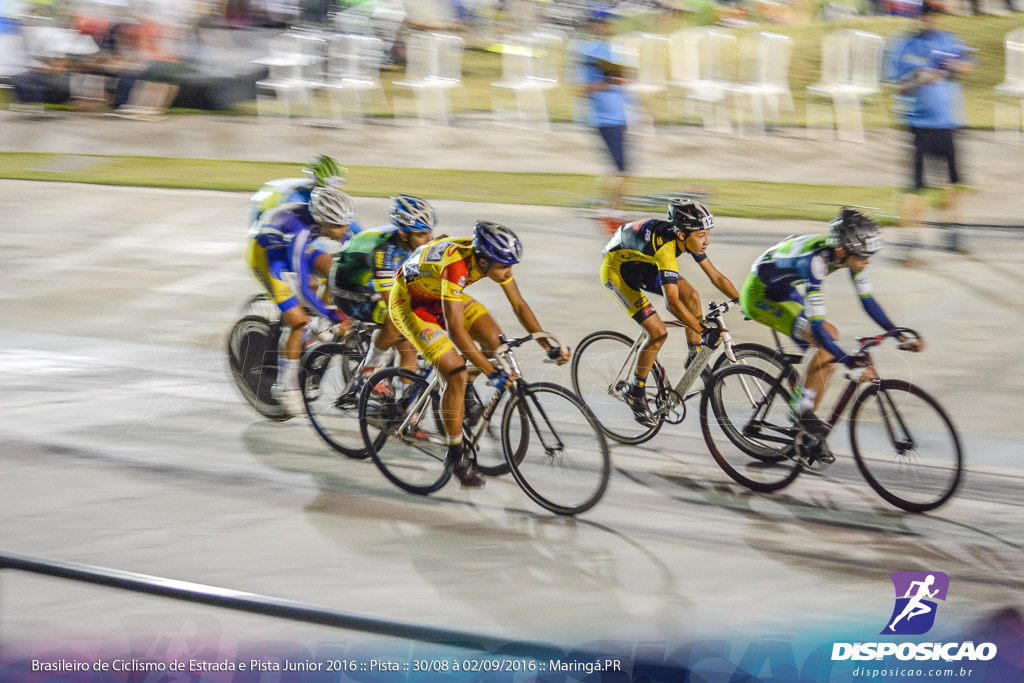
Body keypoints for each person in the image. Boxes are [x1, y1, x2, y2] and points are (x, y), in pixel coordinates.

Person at [388, 222, 570, 488]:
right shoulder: (456, 267)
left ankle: (465, 396)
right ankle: (455, 454)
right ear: (483, 262)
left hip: (440, 293)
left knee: (495, 341)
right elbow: (456, 331)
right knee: (456, 373)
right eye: (503, 267)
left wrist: (547, 344)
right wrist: (489, 371)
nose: (508, 272)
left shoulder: (490, 260)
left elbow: (519, 305)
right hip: (410, 304)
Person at [739, 208, 925, 435]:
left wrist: (898, 334)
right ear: (842, 250)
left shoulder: (847, 254)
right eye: (864, 257)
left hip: (783, 290)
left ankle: (805, 432)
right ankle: (802, 413)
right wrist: (850, 363)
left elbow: (867, 300)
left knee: (827, 358)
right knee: (828, 340)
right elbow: (818, 327)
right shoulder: (815, 263)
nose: (868, 262)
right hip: (759, 297)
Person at [600, 199, 738, 426]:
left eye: (708, 233)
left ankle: (694, 355)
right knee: (657, 333)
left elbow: (716, 276)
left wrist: (740, 301)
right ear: (683, 235)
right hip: (616, 272)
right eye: (702, 235)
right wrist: (702, 329)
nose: (707, 241)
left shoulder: (685, 238)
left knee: (692, 297)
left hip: (642, 263)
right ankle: (636, 392)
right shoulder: (666, 249)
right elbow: (671, 304)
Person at [246, 185, 357, 417]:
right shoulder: (302, 233)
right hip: (267, 255)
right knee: (298, 320)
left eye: (346, 223)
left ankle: (319, 325)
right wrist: (332, 315)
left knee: (334, 270)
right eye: (337, 226)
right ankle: (286, 387)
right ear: (321, 221)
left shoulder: (326, 223)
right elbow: (305, 288)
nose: (343, 230)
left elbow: (358, 241)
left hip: (292, 244)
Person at [887, 1, 973, 262]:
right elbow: (897, 87)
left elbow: (968, 67)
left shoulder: (951, 41)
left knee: (953, 182)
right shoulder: (904, 45)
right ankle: (909, 240)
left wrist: (956, 67)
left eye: (933, 15)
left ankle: (952, 233)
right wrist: (918, 77)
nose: (929, 20)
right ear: (917, 17)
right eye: (924, 15)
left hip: (948, 122)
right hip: (919, 124)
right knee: (916, 186)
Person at [329, 195, 437, 398]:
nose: (429, 238)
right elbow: (392, 303)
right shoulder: (383, 250)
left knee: (409, 345)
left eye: (430, 231)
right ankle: (369, 369)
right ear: (404, 234)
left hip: (371, 280)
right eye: (422, 234)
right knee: (395, 320)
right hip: (348, 284)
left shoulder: (413, 245)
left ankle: (406, 411)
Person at [572, 6, 631, 234]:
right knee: (621, 169)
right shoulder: (586, 52)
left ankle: (606, 208)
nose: (604, 27)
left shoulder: (613, 48)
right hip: (604, 118)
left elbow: (624, 83)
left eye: (607, 23)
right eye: (600, 23)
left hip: (620, 116)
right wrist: (608, 81)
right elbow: (582, 89)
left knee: (618, 169)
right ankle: (611, 212)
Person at [249, 154, 360, 230]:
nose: (332, 193)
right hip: (264, 204)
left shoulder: (322, 192)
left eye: (336, 189)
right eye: (327, 189)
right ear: (316, 184)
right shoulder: (297, 197)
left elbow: (350, 222)